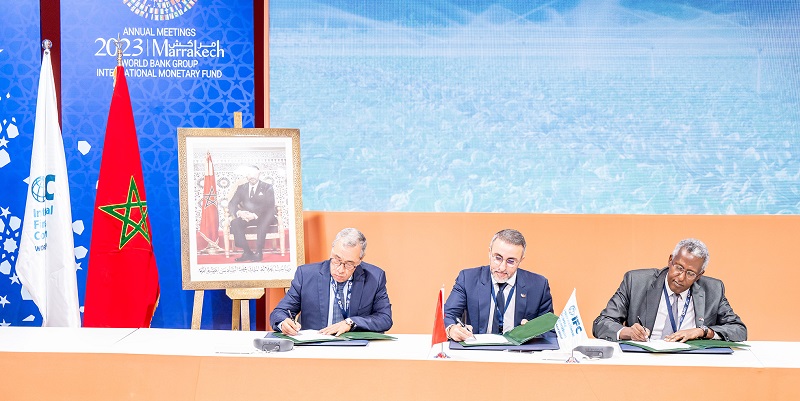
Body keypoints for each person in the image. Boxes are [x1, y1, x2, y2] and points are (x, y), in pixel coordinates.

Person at [592, 238, 747, 342]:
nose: (681, 277)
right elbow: (601, 323)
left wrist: (702, 331)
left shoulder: (713, 290)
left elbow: (739, 330)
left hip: (692, 363)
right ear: (670, 260)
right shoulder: (636, 282)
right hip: (645, 361)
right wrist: (628, 332)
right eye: (679, 267)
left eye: (690, 273)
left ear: (699, 275)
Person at [270, 228, 393, 335]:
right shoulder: (306, 275)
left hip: (354, 347)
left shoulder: (375, 278)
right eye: (336, 260)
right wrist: (283, 323)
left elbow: (385, 318)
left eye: (349, 264)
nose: (340, 270)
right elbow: (280, 312)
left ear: (360, 260)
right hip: (315, 347)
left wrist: (351, 322)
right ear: (332, 250)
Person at [443, 229, 554, 342]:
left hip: (519, 350)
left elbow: (549, 331)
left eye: (511, 261)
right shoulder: (468, 279)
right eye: (497, 258)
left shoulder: (539, 285)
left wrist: (534, 332)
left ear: (521, 260)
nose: (502, 267)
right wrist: (452, 329)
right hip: (478, 349)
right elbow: (449, 314)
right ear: (489, 253)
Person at [227, 165, 277, 262]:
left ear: (259, 174)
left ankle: (259, 252)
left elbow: (269, 205)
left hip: (265, 216)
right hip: (248, 216)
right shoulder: (242, 188)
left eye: (254, 173)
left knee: (263, 223)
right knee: (235, 223)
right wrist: (239, 212)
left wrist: (254, 215)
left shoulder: (267, 187)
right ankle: (247, 252)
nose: (252, 176)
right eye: (249, 174)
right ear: (246, 175)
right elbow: (232, 204)